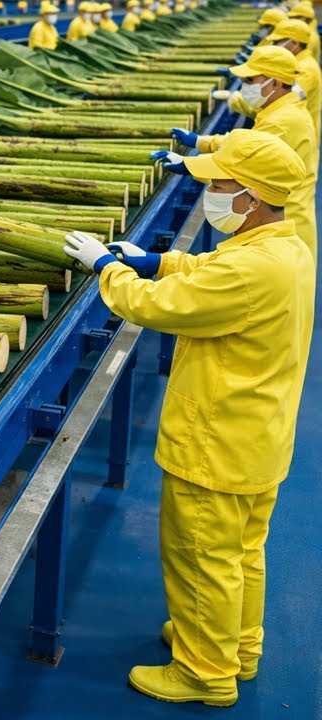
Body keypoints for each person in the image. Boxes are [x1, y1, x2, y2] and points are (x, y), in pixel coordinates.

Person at [64, 128, 312, 708]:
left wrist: (110, 269)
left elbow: (158, 307)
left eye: (220, 186)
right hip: (260, 436)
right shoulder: (286, 245)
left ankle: (205, 672)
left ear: (250, 198)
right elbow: (216, 274)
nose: (212, 194)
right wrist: (159, 259)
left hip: (216, 441)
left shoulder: (252, 271)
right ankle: (236, 646)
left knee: (201, 555)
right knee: (242, 550)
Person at [162, 46, 318, 256]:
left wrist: (190, 164)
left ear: (275, 82)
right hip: (284, 217)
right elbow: (246, 141)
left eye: (250, 81)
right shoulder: (282, 108)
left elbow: (243, 160)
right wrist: (201, 141)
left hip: (284, 217)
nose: (245, 86)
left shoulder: (281, 123)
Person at [268, 18, 321, 133]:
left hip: (299, 132)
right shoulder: (298, 63)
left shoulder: (304, 70)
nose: (275, 45)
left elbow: (282, 101)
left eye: (279, 41)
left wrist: (236, 100)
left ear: (295, 43)